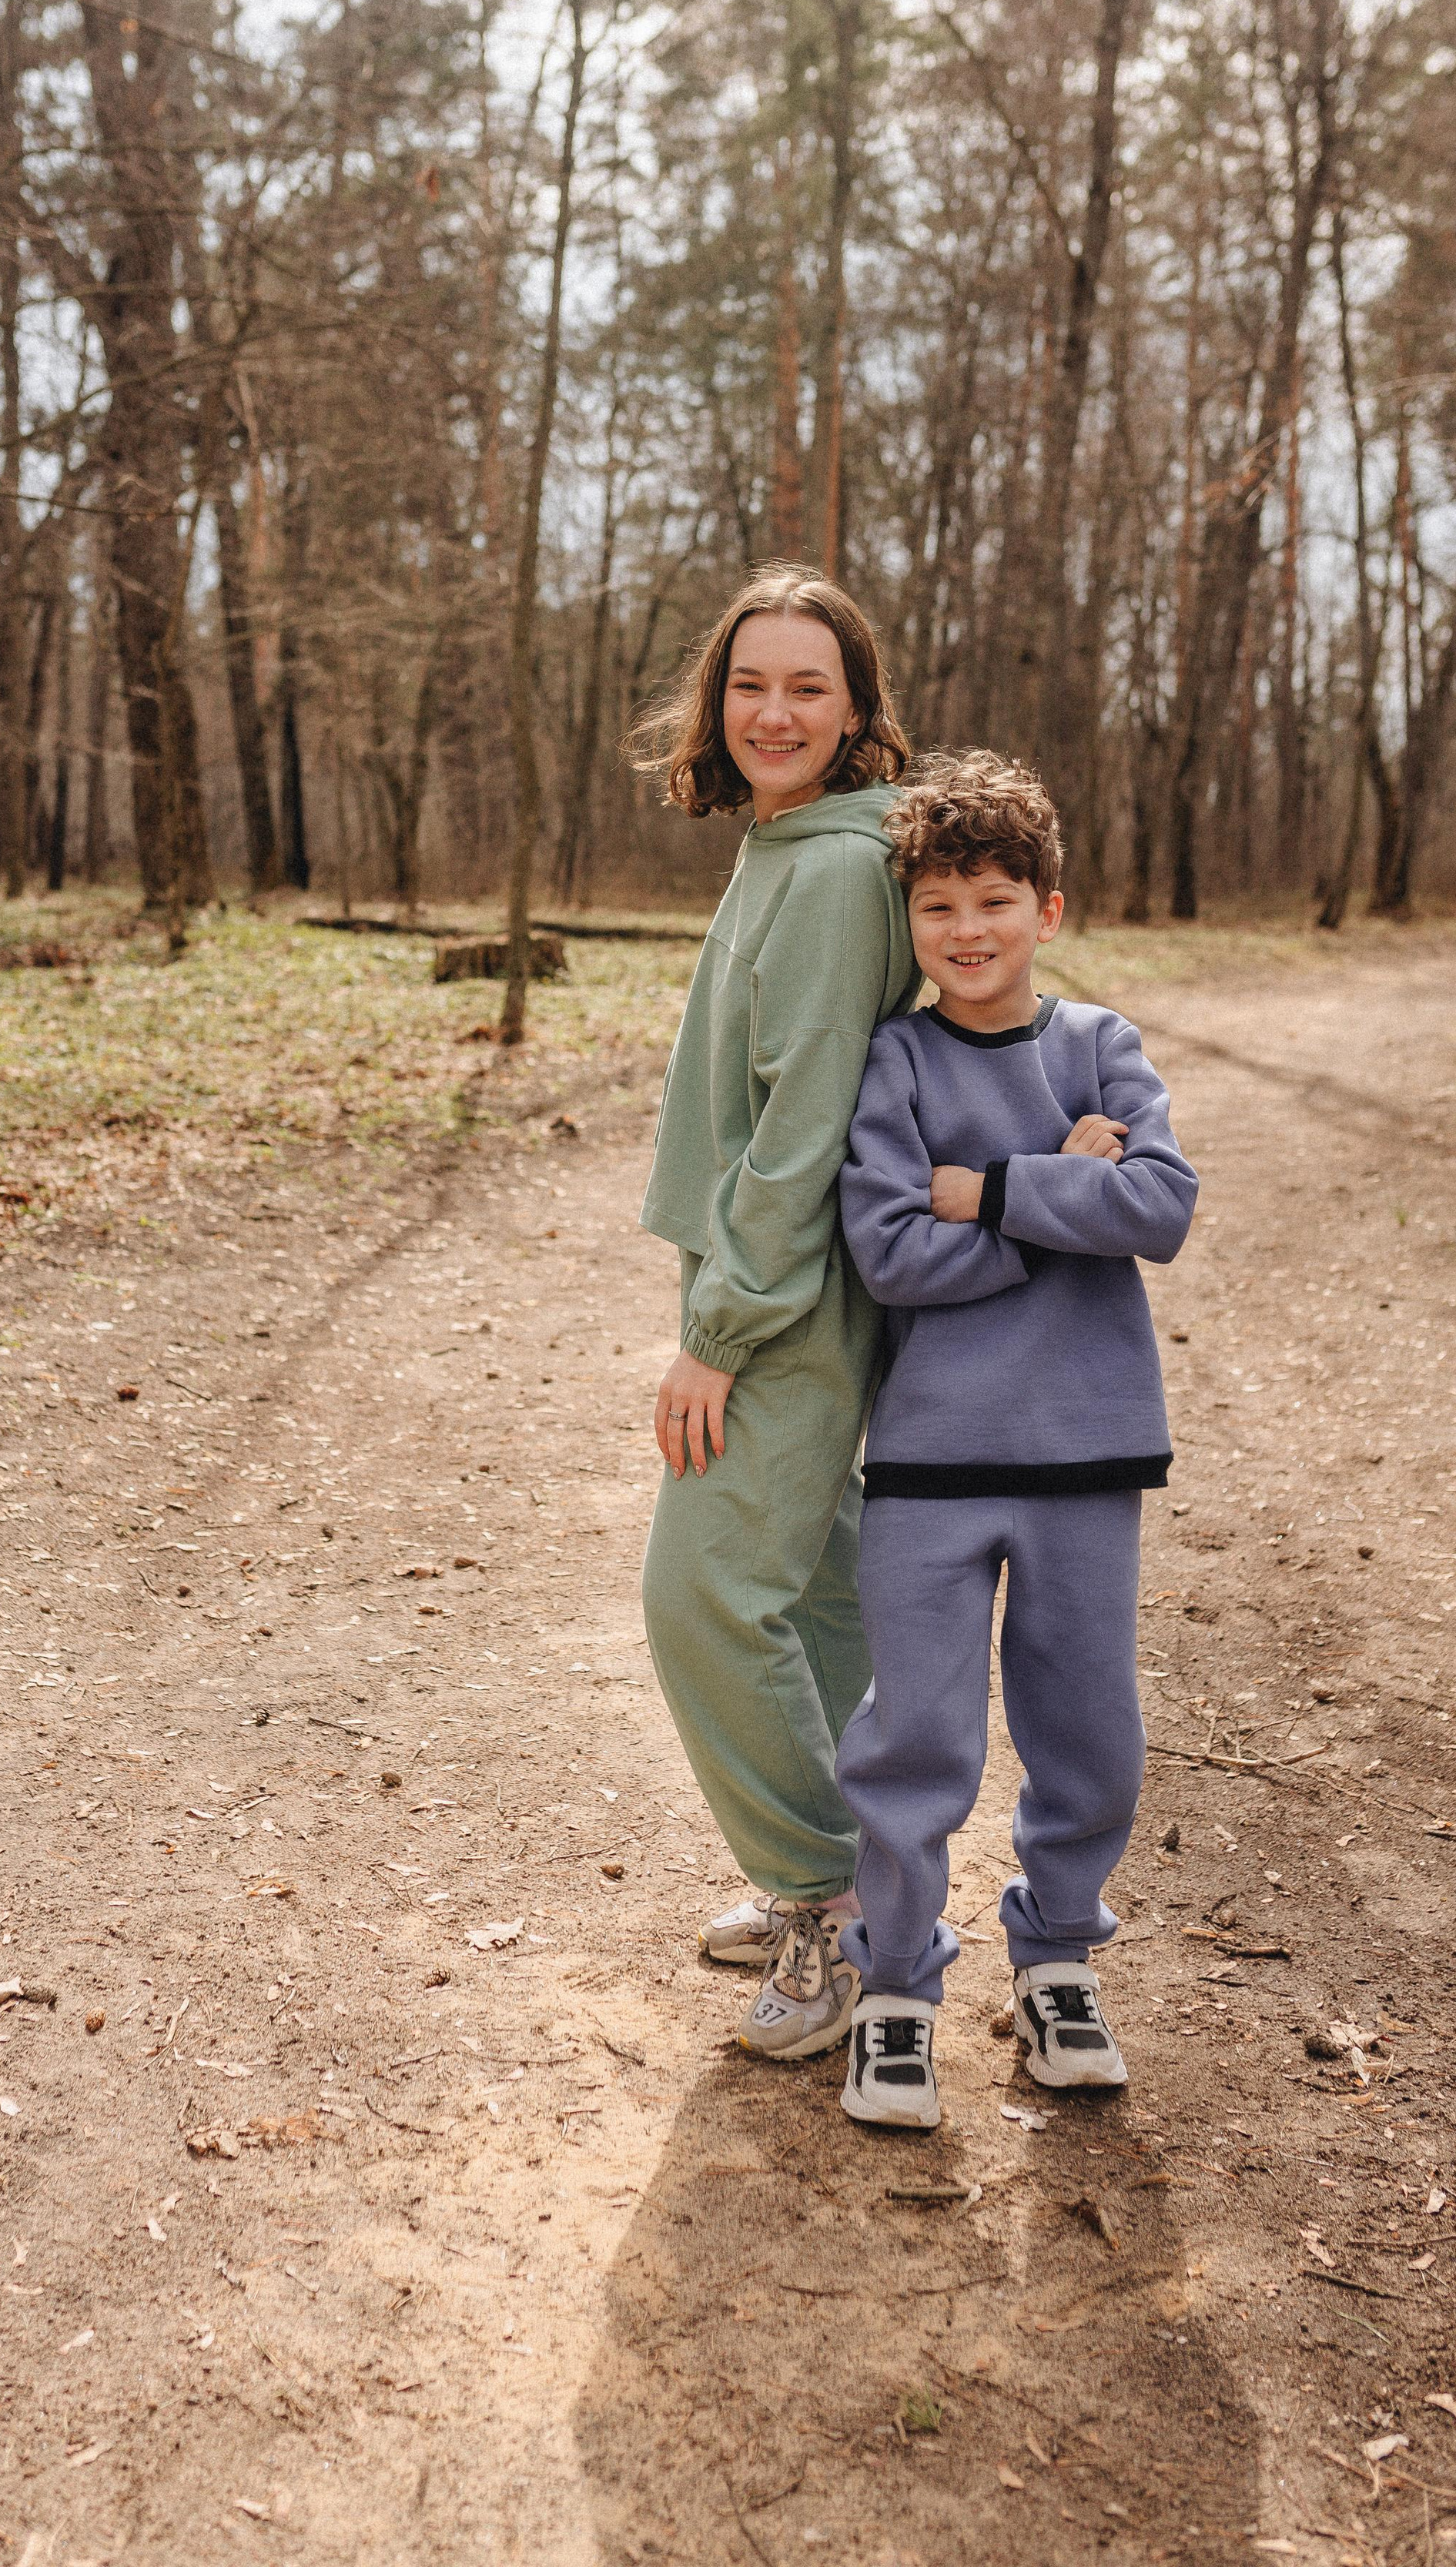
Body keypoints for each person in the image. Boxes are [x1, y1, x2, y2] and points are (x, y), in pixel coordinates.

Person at [829, 749, 1197, 2128]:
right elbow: (884, 1249)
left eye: (995, 899)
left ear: (1050, 907)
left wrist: (979, 1190)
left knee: (1090, 1731)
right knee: (915, 1733)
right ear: (910, 922)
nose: (966, 931)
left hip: (1088, 1457)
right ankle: (898, 1986)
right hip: (929, 1460)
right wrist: (1057, 1194)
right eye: (937, 906)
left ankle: (1057, 1957)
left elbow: (1158, 1208)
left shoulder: (1100, 1045)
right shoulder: (897, 1058)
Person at [634, 562, 916, 2060]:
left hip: (786, 1299)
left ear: (857, 708)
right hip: (769, 1277)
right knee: (811, 1590)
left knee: (695, 1593)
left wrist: (719, 1327)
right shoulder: (789, 844)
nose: (773, 710)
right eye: (750, 683)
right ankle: (867, 1869)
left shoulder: (824, 872)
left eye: (809, 685)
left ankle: (824, 1899)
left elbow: (799, 1127)